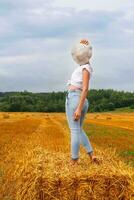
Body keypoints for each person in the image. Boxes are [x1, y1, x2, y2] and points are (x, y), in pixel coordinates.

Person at [65, 39, 102, 166]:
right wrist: (85, 44)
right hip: (79, 99)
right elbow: (84, 56)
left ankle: (74, 160)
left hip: (76, 98)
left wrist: (78, 109)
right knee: (79, 129)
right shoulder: (85, 66)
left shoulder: (85, 68)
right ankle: (92, 155)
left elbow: (85, 88)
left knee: (74, 130)